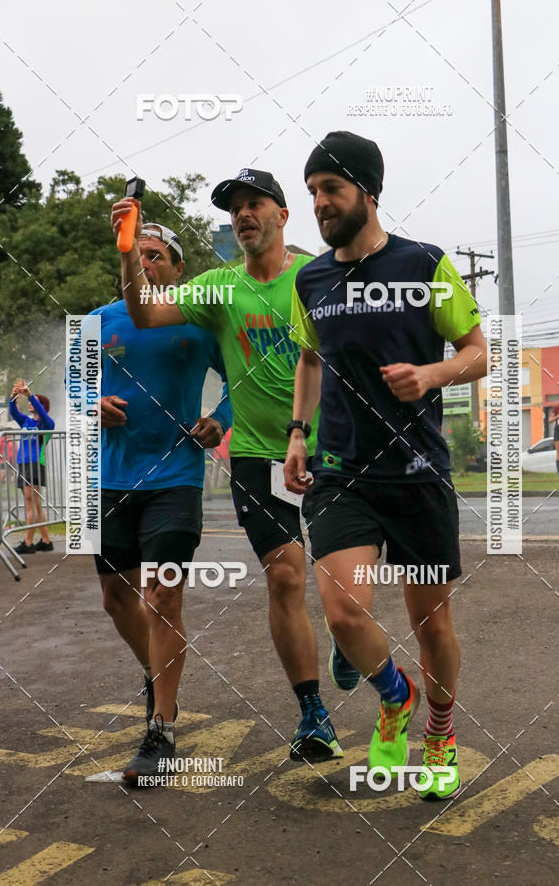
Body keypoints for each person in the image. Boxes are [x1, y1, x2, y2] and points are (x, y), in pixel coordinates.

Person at [284, 131, 488, 800]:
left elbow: (480, 352)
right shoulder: (310, 279)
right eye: (312, 190)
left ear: (367, 192)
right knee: (344, 613)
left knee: (434, 625)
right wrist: (296, 433)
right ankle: (393, 696)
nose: (319, 202)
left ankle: (439, 729)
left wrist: (431, 373)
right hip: (342, 472)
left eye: (331, 189)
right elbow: (310, 359)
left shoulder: (424, 263)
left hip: (419, 472)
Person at [114, 169, 342, 764]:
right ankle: (312, 712)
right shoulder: (217, 288)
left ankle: (351, 633)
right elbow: (144, 312)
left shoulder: (318, 275)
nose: (243, 214)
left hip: (336, 448)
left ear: (283, 215)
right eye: (235, 208)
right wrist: (127, 251)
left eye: (254, 204)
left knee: (345, 586)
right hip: (259, 456)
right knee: (287, 576)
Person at [93, 220, 232, 782]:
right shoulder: (99, 320)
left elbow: (241, 382)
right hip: (108, 478)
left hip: (175, 476)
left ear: (178, 270)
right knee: (116, 598)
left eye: (157, 255)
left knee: (162, 599)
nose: (146, 263)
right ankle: (157, 676)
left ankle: (161, 727)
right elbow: (76, 385)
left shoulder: (197, 322)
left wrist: (218, 421)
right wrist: (92, 402)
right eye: (137, 253)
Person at [8, 380, 55, 554]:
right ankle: (45, 540)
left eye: (33, 401)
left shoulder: (46, 424)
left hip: (34, 464)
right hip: (24, 465)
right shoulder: (27, 422)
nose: (29, 403)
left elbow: (44, 415)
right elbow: (13, 412)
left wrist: (30, 395)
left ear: (40, 405)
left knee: (31, 505)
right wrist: (13, 397)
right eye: (29, 401)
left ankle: (28, 542)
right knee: (35, 505)